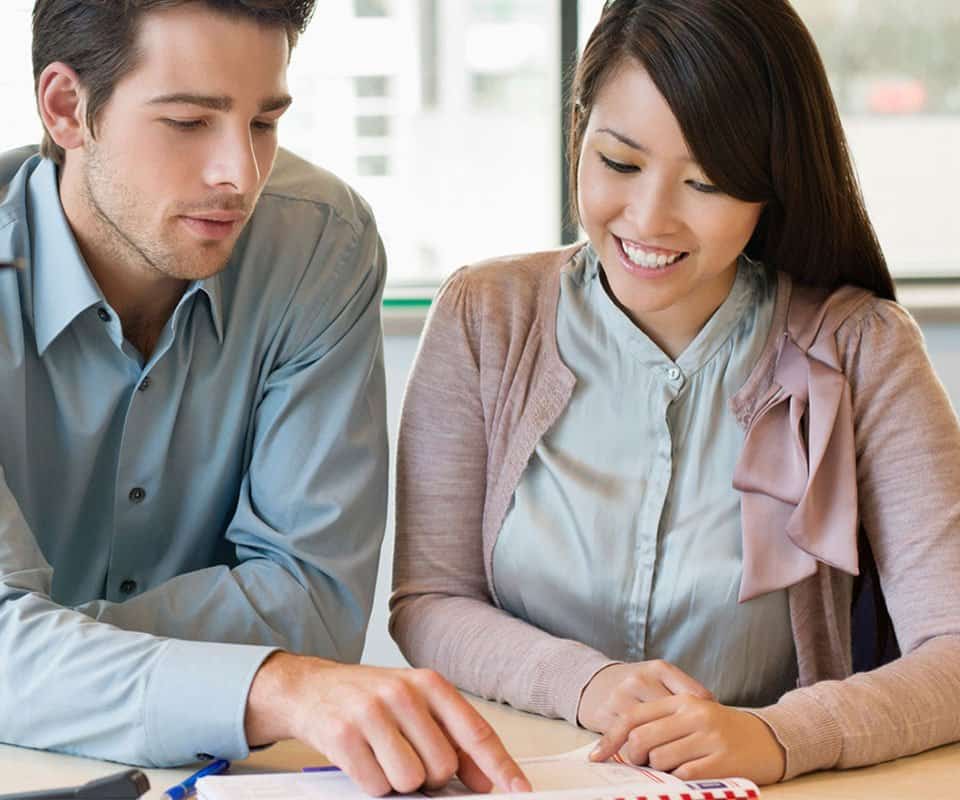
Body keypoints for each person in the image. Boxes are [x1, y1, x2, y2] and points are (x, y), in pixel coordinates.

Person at [390, 0, 960, 786]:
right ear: (578, 132)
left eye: (707, 181)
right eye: (619, 163)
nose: (648, 219)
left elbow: (955, 650)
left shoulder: (863, 349)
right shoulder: (484, 318)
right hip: (519, 779)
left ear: (771, 187)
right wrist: (589, 685)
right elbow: (428, 602)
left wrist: (776, 736)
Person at [0, 2, 530, 796]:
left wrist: (46, 656)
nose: (238, 177)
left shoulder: (323, 242)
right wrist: (270, 686)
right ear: (68, 108)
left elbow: (315, 605)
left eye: (264, 122)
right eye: (188, 122)